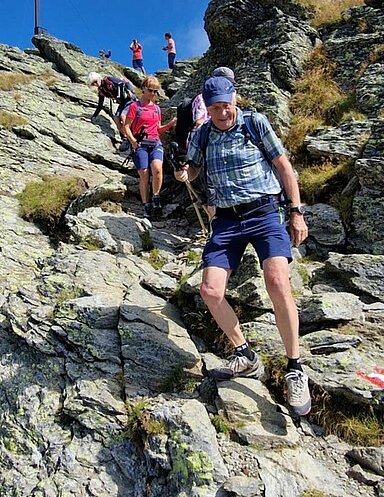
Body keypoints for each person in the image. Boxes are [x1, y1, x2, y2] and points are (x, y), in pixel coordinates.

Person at [174, 76, 311, 416]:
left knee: (277, 281)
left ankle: (295, 368)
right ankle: (244, 355)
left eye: (226, 105)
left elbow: (284, 167)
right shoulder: (202, 133)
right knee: (210, 290)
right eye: (215, 107)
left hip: (264, 212)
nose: (222, 112)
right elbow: (193, 167)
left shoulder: (254, 122)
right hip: (225, 220)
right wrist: (186, 172)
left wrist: (295, 211)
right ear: (206, 106)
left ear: (234, 99)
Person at [124, 76, 176, 218]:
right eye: (150, 90)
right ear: (143, 89)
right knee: (145, 174)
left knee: (158, 169)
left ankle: (156, 197)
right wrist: (133, 141)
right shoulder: (135, 106)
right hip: (140, 144)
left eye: (155, 91)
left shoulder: (157, 109)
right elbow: (126, 126)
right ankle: (146, 204)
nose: (153, 93)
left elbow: (158, 129)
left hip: (155, 143)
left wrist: (170, 125)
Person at [86, 72, 136, 151]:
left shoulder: (109, 80)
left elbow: (125, 82)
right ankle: (126, 138)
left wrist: (131, 91)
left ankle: (129, 138)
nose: (96, 84)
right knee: (116, 119)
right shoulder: (101, 91)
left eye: (95, 81)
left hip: (130, 100)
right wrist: (93, 118)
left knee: (123, 116)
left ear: (99, 78)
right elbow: (100, 105)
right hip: (122, 103)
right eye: (93, 84)